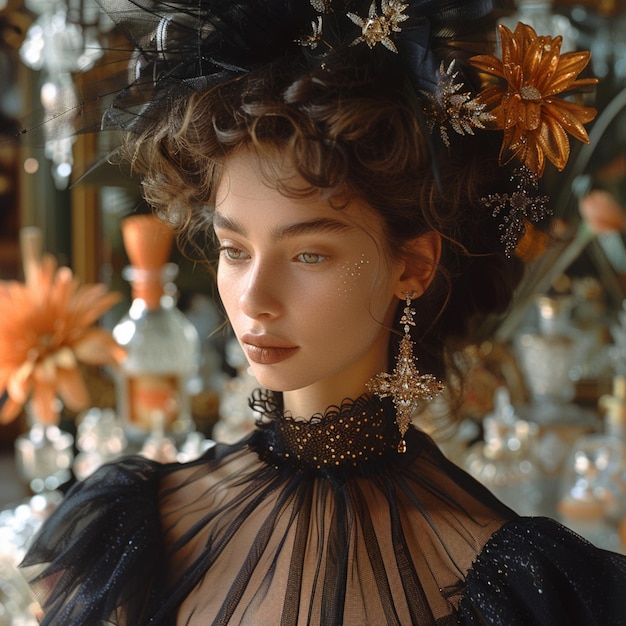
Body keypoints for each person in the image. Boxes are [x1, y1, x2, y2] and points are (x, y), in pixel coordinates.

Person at [19, 0, 626, 624]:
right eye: (233, 249)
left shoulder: (516, 587)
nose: (254, 299)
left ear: (412, 266)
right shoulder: (138, 524)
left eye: (309, 254)